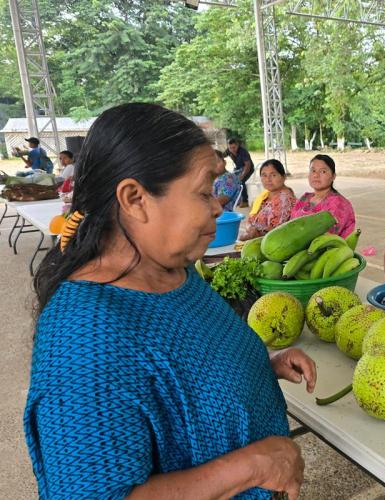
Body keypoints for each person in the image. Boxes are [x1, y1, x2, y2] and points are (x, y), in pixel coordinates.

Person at [26, 103, 315, 499]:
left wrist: (260, 368)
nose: (217, 206)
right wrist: (253, 467)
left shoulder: (173, 273)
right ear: (135, 199)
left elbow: (185, 374)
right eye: (202, 192)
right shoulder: (83, 339)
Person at [291, 154, 355, 237]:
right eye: (313, 171)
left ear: (333, 176)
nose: (316, 175)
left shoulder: (339, 204)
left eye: (323, 171)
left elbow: (325, 237)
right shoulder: (305, 197)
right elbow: (290, 224)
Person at [240, 159, 297, 241]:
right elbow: (251, 219)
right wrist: (250, 228)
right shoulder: (265, 195)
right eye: (264, 175)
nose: (268, 179)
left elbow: (276, 232)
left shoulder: (284, 199)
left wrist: (254, 233)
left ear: (284, 177)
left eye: (273, 175)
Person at [224, 138, 254, 208]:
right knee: (230, 179)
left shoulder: (243, 152)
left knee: (241, 181)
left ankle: (245, 201)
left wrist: (242, 175)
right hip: (238, 169)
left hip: (248, 169)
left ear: (237, 145)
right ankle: (236, 199)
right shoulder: (229, 150)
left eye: (234, 147)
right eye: (230, 148)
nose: (232, 149)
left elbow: (248, 165)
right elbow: (221, 155)